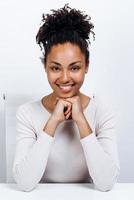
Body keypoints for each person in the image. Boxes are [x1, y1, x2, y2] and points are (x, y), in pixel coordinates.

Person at [12, 4, 120, 192]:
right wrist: (53, 120)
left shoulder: (102, 111)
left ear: (86, 65)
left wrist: (81, 120)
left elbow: (106, 183)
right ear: (45, 66)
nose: (64, 78)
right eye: (55, 68)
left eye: (74, 67)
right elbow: (24, 183)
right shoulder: (27, 113)